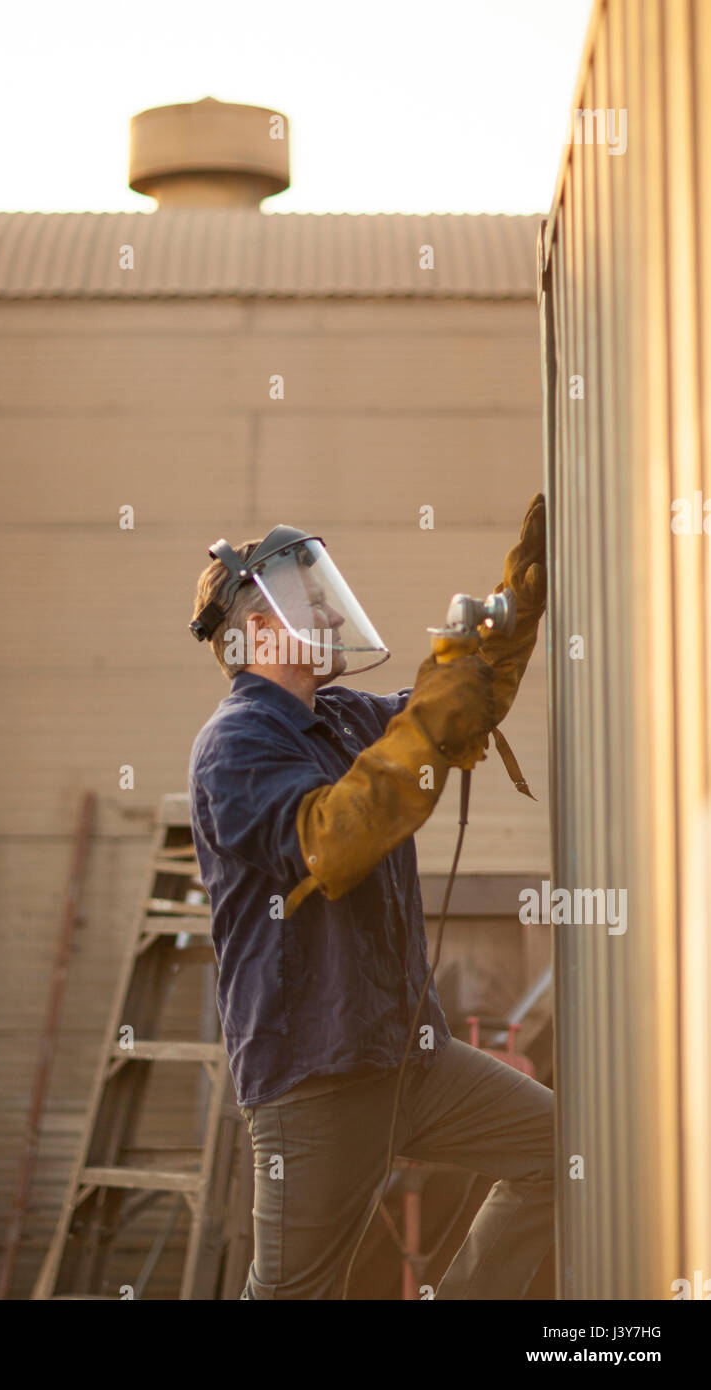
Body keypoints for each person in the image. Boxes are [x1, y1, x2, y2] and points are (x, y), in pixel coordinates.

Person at [187, 498, 553, 1300]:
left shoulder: (344, 716)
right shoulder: (237, 746)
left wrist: (519, 605)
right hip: (314, 1079)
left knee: (561, 1152)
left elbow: (448, 723)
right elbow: (334, 838)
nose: (325, 610)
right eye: (307, 601)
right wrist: (430, 716)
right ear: (259, 632)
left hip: (408, 1059)